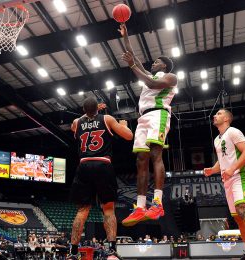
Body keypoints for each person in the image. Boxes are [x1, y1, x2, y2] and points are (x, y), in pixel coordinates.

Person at [117, 23, 177, 226]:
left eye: (157, 62)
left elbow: (150, 83)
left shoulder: (170, 77)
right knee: (140, 160)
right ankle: (140, 207)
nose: (154, 63)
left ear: (165, 66)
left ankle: (157, 203)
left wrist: (133, 66)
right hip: (142, 118)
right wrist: (126, 36)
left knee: (155, 155)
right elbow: (133, 56)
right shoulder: (149, 75)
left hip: (158, 115)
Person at [67, 97, 133, 260]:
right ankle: (111, 251)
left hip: (84, 166)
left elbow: (76, 124)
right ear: (98, 108)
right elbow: (129, 136)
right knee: (108, 209)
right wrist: (124, 125)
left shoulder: (77, 122)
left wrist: (90, 112)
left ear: (84, 110)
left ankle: (73, 253)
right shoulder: (108, 119)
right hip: (103, 165)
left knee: (82, 211)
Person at [204, 108, 245, 259]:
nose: (215, 116)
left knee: (243, 210)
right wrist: (213, 169)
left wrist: (232, 169)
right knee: (237, 217)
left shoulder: (234, 131)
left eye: (219, 113)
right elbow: (223, 159)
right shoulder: (217, 139)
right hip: (227, 181)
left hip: (240, 176)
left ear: (227, 119)